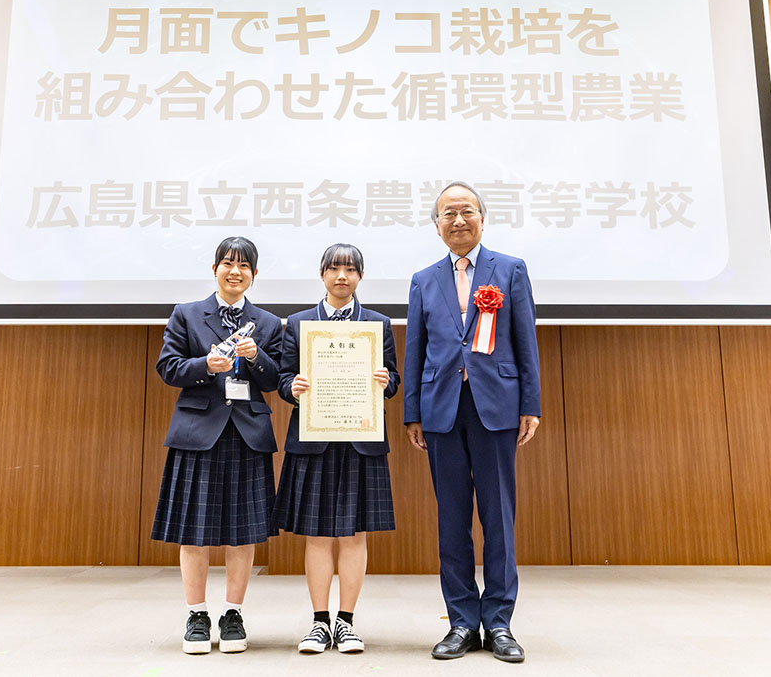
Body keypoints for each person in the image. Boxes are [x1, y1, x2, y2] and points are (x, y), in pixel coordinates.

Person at [404, 181, 541, 663]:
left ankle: (499, 623)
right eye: (447, 214)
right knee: (452, 520)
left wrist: (531, 404)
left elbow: (525, 341)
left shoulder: (510, 269)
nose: (457, 220)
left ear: (482, 218)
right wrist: (412, 412)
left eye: (466, 211)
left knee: (499, 518)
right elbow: (416, 349)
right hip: (441, 409)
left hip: (496, 406)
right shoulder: (423, 278)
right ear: (436, 225)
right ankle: (462, 621)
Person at [151, 236, 283, 655]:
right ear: (215, 269)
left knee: (243, 532)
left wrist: (258, 356)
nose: (235, 271)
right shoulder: (187, 314)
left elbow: (274, 380)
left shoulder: (266, 322)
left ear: (254, 275)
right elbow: (168, 368)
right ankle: (196, 614)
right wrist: (205, 366)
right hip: (197, 434)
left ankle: (232, 614)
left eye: (244, 266)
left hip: (248, 433)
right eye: (228, 263)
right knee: (195, 531)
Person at [272, 243, 400, 655]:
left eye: (350, 270)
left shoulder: (378, 324)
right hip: (314, 438)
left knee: (354, 534)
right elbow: (282, 378)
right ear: (322, 274)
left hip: (361, 440)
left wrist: (385, 381)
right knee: (316, 535)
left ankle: (346, 623)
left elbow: (395, 381)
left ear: (360, 276)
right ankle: (318, 623)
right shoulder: (298, 323)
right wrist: (291, 388)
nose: (341, 276)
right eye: (334, 269)